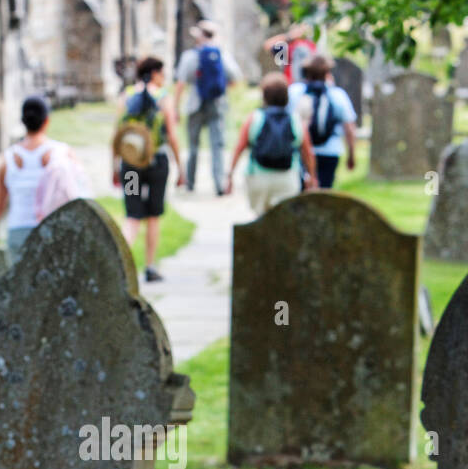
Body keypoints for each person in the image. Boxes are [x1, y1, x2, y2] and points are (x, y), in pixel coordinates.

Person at [0, 95, 71, 278]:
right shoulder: (62, 153)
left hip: (17, 232)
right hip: (51, 229)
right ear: (47, 121)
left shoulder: (8, 159)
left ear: (23, 122)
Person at [112, 56, 184, 283]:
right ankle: (151, 266)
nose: (164, 79)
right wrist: (181, 167)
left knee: (132, 216)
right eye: (162, 74)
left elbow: (118, 134)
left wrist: (114, 165)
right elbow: (171, 135)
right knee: (153, 215)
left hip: (131, 165)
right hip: (156, 163)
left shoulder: (126, 96)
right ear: (154, 73)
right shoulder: (164, 98)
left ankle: (118, 263)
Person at [226, 71, 318, 215]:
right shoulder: (295, 120)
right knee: (283, 221)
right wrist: (312, 177)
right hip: (287, 178)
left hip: (258, 177)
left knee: (261, 219)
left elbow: (240, 147)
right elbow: (307, 152)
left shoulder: (254, 118)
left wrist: (230, 175)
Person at [173, 20, 242, 195]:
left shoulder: (190, 56)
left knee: (193, 146)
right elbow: (235, 78)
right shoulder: (222, 55)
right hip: (217, 104)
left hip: (195, 104)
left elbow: (181, 83)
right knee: (217, 145)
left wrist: (175, 107)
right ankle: (219, 184)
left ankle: (190, 183)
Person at [288, 55, 357, 189]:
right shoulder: (337, 95)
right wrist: (351, 154)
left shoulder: (294, 92)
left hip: (300, 150)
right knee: (323, 192)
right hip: (330, 151)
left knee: (300, 193)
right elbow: (349, 128)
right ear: (327, 73)